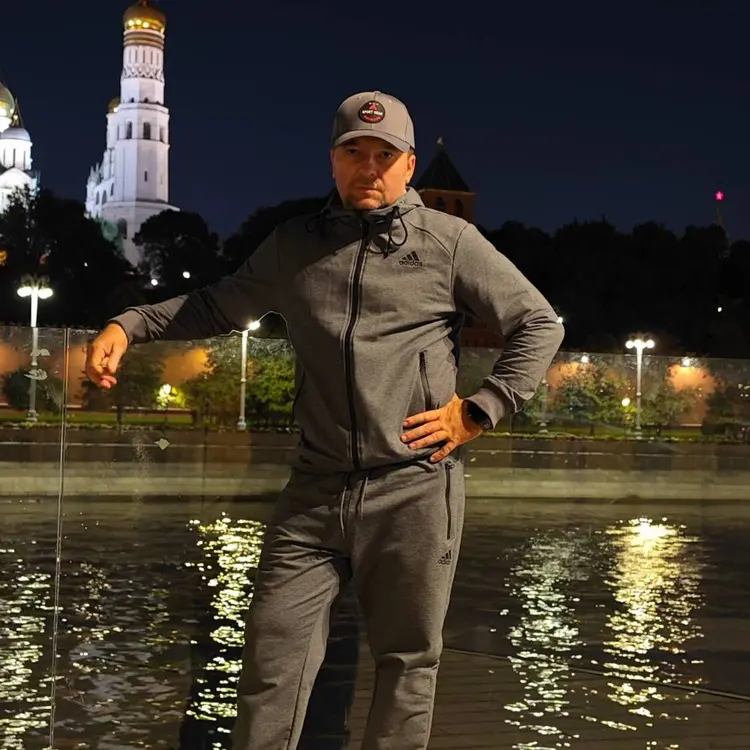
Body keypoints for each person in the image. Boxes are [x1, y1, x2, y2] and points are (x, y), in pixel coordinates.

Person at [85, 90, 565, 750]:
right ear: (333, 160)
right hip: (314, 491)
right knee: (270, 664)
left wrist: (482, 409)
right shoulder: (294, 246)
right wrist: (129, 324)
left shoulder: (449, 242)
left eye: (384, 155)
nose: (368, 167)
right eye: (353, 152)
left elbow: (539, 323)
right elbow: (217, 305)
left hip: (414, 489)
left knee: (406, 663)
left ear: (408, 165)